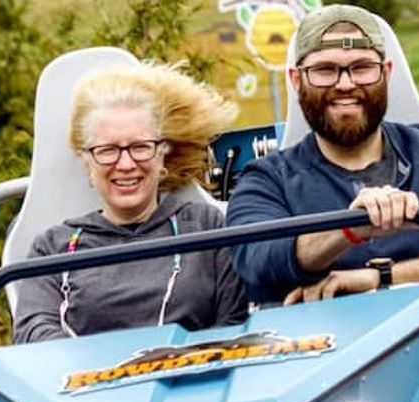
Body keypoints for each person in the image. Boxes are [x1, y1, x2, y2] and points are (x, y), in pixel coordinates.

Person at [226, 4, 419, 376]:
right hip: (319, 378)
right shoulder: (265, 179)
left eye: (361, 67)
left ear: (387, 73)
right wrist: (349, 230)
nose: (345, 83)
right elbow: (258, 261)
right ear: (296, 79)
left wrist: (379, 280)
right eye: (324, 70)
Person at [13, 63, 249, 343]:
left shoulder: (207, 228)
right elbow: (33, 332)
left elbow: (234, 324)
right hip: (89, 383)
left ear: (162, 152)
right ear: (85, 160)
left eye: (140, 147)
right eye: (107, 151)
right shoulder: (53, 249)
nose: (126, 164)